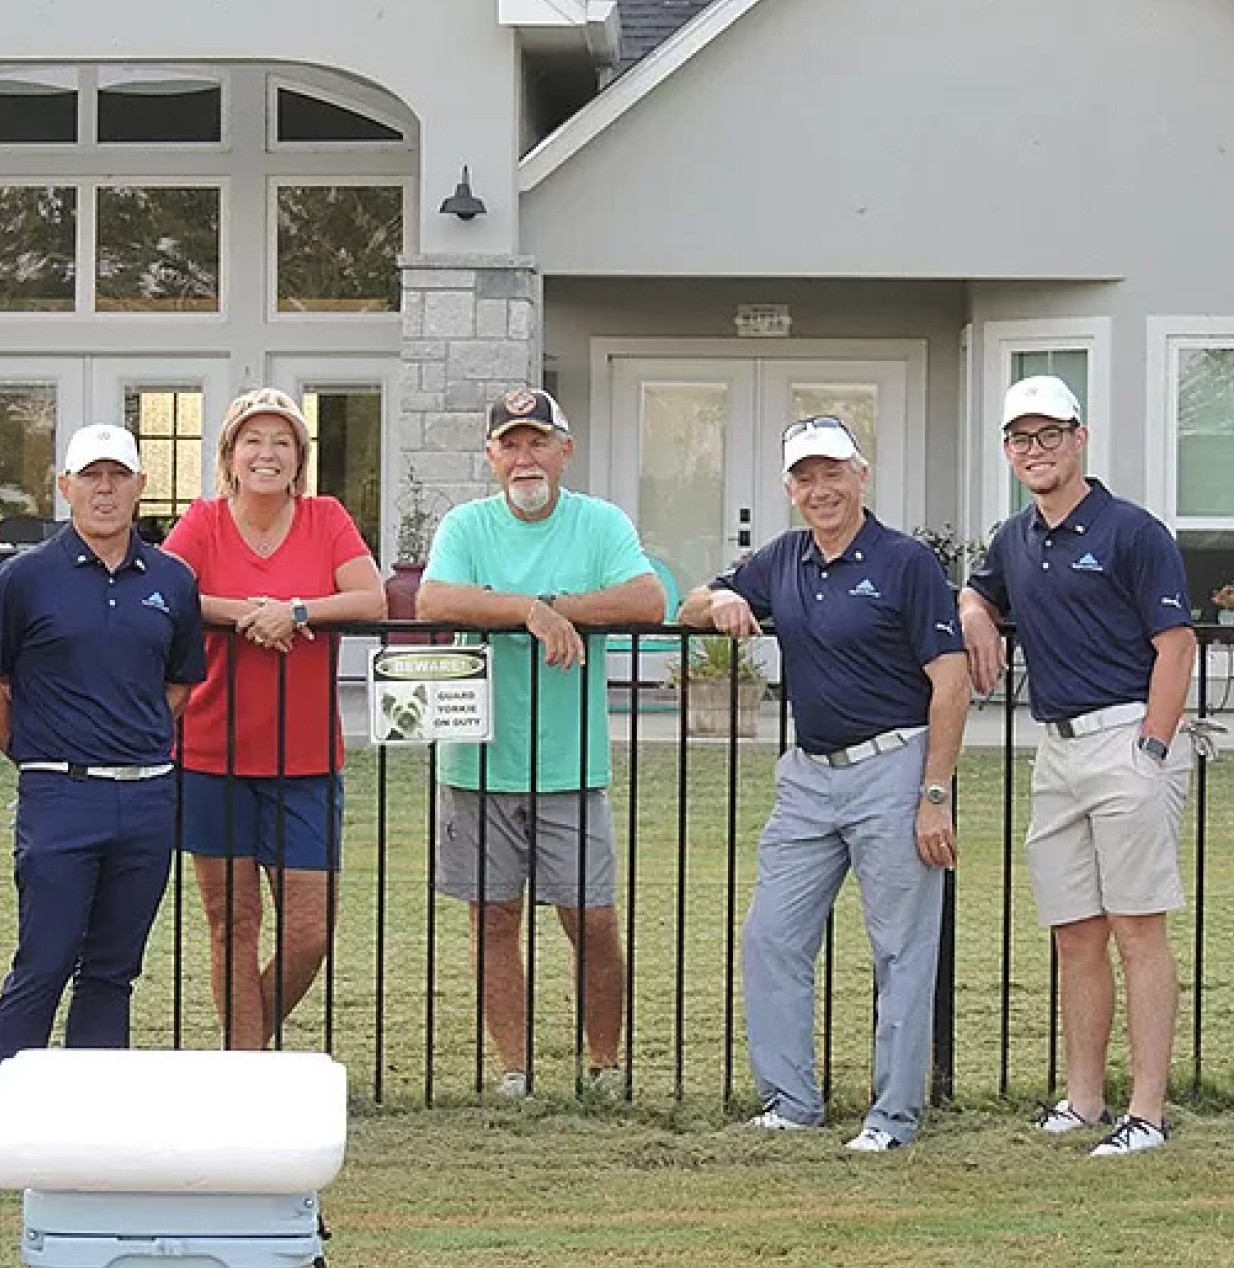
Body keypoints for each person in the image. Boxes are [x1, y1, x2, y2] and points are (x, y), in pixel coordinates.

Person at [679, 416, 968, 1152]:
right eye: (805, 477)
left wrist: (934, 794)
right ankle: (790, 1103)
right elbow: (685, 605)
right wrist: (720, 601)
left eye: (832, 472)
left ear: (860, 476)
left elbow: (951, 681)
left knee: (900, 952)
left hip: (895, 768)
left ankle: (893, 1117)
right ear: (789, 489)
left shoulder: (906, 563)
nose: (820, 489)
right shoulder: (783, 559)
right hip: (808, 778)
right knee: (771, 936)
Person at [958, 375, 1197, 1157]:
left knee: (1137, 930)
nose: (1036, 450)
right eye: (1021, 438)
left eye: (1050, 434)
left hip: (1129, 740)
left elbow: (1176, 646)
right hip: (1056, 751)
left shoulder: (1133, 532)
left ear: (1080, 438)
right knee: (1075, 935)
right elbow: (979, 593)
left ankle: (1148, 1114)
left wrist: (1152, 749)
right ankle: (1085, 1102)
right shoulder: (1014, 538)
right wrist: (972, 610)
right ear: (1008, 451)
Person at [416, 387, 666, 1096]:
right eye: (510, 445)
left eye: (538, 442)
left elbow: (648, 600)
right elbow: (433, 600)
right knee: (494, 918)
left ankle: (604, 1067)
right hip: (478, 762)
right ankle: (515, 1070)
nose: (524, 458)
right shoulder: (467, 525)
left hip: (571, 763)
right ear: (491, 456)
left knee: (592, 919)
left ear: (565, 451)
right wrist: (527, 611)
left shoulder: (599, 523)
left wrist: (556, 609)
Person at [0, 423, 206, 1072]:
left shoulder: (173, 580)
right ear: (65, 486)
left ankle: (94, 1118)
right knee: (43, 963)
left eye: (118, 475)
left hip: (147, 797)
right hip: (60, 795)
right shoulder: (25, 578)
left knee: (112, 972)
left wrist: (131, 734)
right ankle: (8, 1112)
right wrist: (35, 752)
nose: (105, 489)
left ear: (140, 486)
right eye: (91, 476)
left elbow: (180, 683)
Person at [162, 388, 386, 1049]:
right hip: (212, 754)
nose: (267, 453)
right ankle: (245, 1070)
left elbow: (370, 598)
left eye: (282, 441)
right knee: (233, 923)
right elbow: (165, 593)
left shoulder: (326, 518)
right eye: (253, 440)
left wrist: (296, 612)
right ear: (229, 455)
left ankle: (245, 1050)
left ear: (299, 458)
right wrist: (245, 614)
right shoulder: (202, 522)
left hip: (305, 758)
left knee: (309, 932)